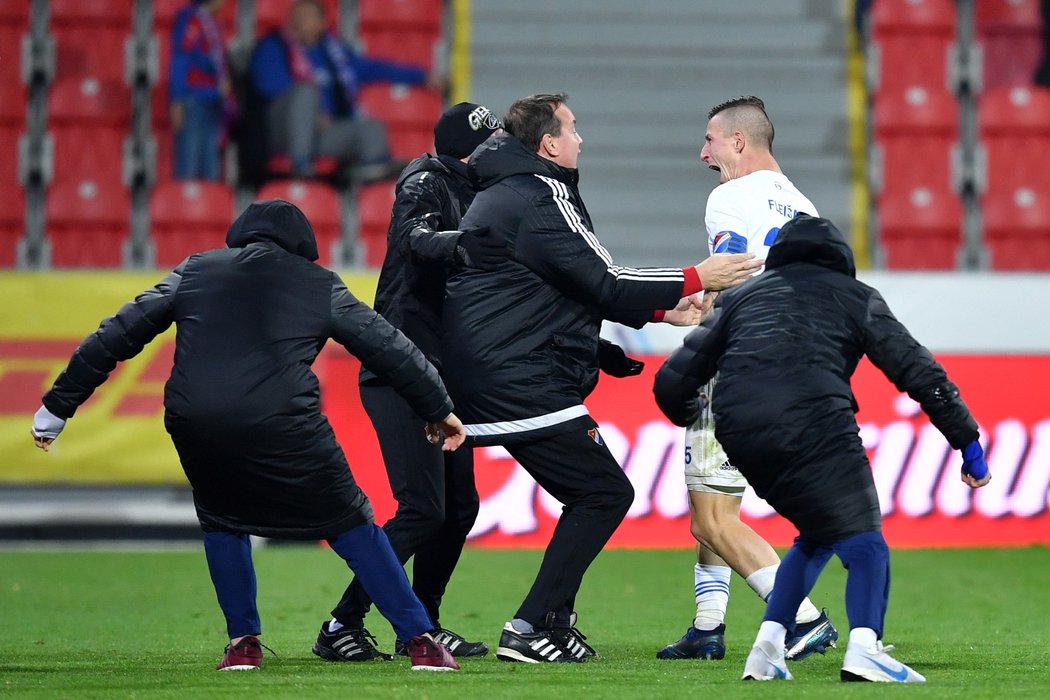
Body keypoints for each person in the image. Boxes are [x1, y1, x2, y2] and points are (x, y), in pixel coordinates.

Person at [29, 200, 464, 673]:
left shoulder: (196, 271)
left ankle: (242, 644)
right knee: (350, 521)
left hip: (196, 420)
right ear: (304, 245)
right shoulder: (318, 283)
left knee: (222, 519)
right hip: (284, 420)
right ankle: (420, 640)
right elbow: (388, 347)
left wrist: (57, 406)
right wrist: (437, 407)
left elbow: (117, 333)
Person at [440, 93, 764, 663]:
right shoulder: (540, 193)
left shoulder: (508, 192)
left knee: (579, 494)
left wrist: (666, 311)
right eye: (573, 128)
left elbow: (565, 284)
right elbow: (606, 279)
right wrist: (696, 275)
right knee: (603, 493)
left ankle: (554, 624)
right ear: (548, 143)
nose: (581, 139)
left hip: (496, 368)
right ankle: (529, 626)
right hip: (517, 373)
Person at [653, 213, 991, 683]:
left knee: (817, 533)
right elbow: (920, 374)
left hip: (739, 433)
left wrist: (681, 410)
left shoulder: (745, 298)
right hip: (814, 423)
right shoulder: (855, 297)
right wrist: (968, 443)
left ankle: (768, 649)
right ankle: (866, 649)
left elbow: (674, 377)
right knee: (865, 539)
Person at [313, 102, 505, 663]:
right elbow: (414, 238)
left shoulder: (476, 190)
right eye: (490, 141)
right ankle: (342, 623)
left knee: (459, 507)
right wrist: (462, 243)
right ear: (469, 148)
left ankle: (422, 624)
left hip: (442, 372)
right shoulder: (424, 183)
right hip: (402, 366)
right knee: (424, 508)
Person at [656, 95, 838, 664]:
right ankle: (707, 628)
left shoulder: (729, 196)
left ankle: (802, 619)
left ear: (738, 141)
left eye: (710, 140)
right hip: (794, 369)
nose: (702, 152)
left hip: (737, 366)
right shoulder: (804, 208)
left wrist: (697, 304)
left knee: (711, 518)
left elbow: (729, 275)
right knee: (717, 504)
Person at [246, 0, 443, 181]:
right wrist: (312, 113)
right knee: (305, 93)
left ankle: (365, 176)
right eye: (296, 16)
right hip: (281, 131)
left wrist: (422, 76)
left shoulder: (334, 54)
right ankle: (301, 169)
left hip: (321, 133)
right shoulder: (273, 47)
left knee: (370, 129)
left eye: (306, 16)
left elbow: (374, 68)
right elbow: (268, 88)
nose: (299, 22)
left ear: (322, 23)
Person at [169, 0, 236, 180]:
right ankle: (183, 206)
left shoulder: (213, 21)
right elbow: (181, 58)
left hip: (214, 99)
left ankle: (210, 207)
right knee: (189, 165)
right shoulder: (192, 19)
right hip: (193, 98)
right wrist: (177, 100)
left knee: (211, 168)